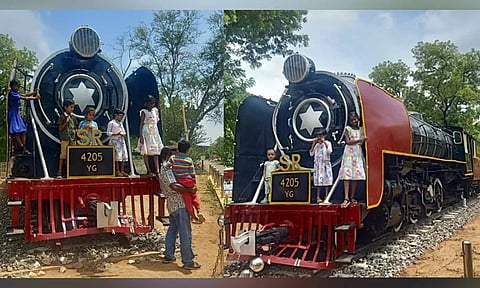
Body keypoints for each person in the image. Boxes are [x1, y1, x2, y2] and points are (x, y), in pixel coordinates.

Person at [159, 147, 201, 270]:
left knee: (173, 229)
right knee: (185, 233)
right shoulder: (167, 169)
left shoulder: (164, 168)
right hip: (179, 204)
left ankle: (169, 254)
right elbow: (174, 186)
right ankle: (188, 261)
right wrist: (190, 190)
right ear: (168, 156)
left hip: (172, 204)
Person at [166, 140, 205, 224]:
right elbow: (192, 172)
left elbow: (167, 167)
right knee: (194, 195)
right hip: (189, 181)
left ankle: (193, 216)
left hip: (180, 181)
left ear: (178, 149)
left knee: (187, 200)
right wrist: (194, 183)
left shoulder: (173, 158)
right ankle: (199, 210)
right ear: (187, 150)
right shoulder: (189, 160)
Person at [338, 112, 367, 208]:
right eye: (352, 120)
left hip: (357, 153)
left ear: (358, 119)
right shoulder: (347, 129)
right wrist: (360, 140)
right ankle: (346, 197)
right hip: (349, 153)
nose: (354, 121)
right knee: (347, 176)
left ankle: (352, 196)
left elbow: (362, 143)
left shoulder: (361, 130)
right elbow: (348, 142)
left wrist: (361, 141)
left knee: (355, 176)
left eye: (355, 119)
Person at [7, 79, 41, 155]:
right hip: (13, 114)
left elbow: (25, 95)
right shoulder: (12, 94)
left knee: (23, 131)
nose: (16, 88)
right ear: (12, 86)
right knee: (15, 131)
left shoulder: (16, 93)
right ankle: (21, 147)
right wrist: (35, 98)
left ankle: (23, 146)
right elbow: (25, 98)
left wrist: (34, 93)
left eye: (17, 86)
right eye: (15, 86)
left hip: (16, 113)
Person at [137, 95, 164, 176]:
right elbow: (141, 124)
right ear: (146, 103)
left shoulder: (155, 111)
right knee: (146, 151)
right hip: (146, 131)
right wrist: (141, 135)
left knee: (156, 151)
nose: (152, 105)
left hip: (154, 131)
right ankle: (148, 170)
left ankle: (157, 170)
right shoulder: (143, 112)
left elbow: (157, 121)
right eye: (150, 103)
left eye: (153, 103)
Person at [309, 129, 333, 203]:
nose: (319, 137)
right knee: (318, 181)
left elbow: (330, 151)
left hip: (325, 164)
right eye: (318, 136)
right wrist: (313, 144)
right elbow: (311, 154)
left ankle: (326, 196)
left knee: (326, 180)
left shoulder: (328, 143)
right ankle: (318, 197)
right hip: (318, 165)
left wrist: (324, 143)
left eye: (321, 135)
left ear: (324, 136)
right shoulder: (316, 145)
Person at [57, 99, 77, 178]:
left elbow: (75, 127)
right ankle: (59, 172)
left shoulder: (74, 117)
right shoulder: (62, 117)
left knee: (73, 155)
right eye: (71, 107)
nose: (72, 109)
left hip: (73, 138)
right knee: (63, 155)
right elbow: (60, 128)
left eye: (73, 107)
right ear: (66, 107)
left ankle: (72, 172)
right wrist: (66, 122)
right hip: (65, 138)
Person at [107, 108, 128, 177]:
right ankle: (117, 170)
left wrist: (123, 134)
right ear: (116, 115)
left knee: (123, 156)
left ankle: (122, 170)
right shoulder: (111, 123)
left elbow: (124, 131)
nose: (121, 117)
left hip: (121, 141)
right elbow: (108, 133)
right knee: (116, 156)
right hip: (114, 141)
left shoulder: (120, 123)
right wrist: (116, 134)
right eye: (120, 116)